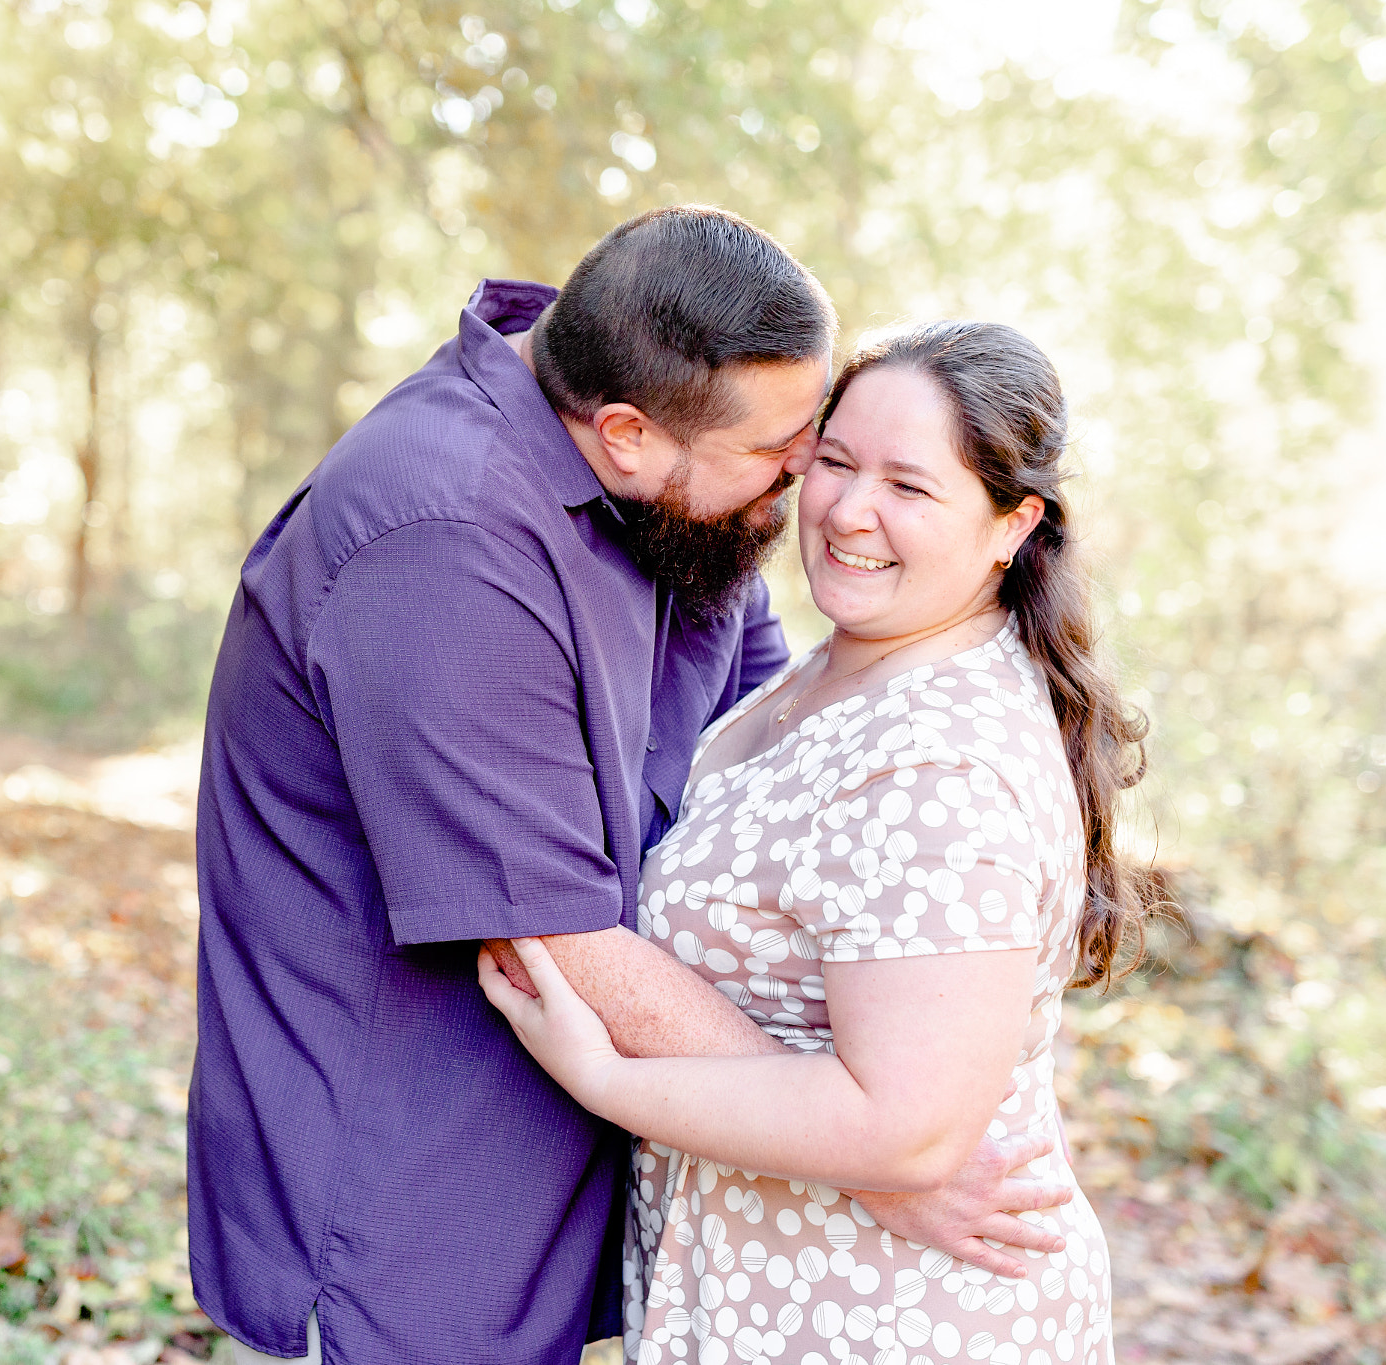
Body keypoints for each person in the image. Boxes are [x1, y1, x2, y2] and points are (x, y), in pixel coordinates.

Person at [191, 211, 1072, 1365]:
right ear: (622, 432)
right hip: (409, 1225)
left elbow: (763, 739)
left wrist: (890, 1115)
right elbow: (549, 934)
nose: (805, 479)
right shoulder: (444, 541)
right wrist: (880, 1161)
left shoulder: (685, 502)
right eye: (790, 453)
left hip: (608, 1215)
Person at [481, 320, 1149, 1365]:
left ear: (1011, 524)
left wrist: (602, 1078)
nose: (847, 510)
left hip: (894, 1320)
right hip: (780, 1292)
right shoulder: (844, 669)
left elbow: (906, 1132)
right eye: (832, 462)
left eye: (909, 487)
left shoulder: (938, 764)